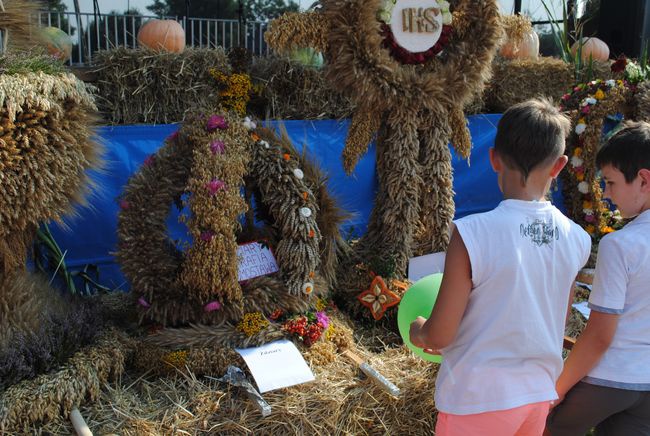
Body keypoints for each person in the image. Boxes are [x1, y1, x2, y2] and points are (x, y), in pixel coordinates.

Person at [410, 98, 591, 436]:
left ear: (493, 158)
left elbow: (439, 334)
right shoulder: (578, 238)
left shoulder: (471, 233)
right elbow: (555, 319)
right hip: (537, 394)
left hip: (476, 399)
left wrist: (419, 330)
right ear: (559, 166)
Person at [546, 121, 650, 436]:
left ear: (643, 180)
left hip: (608, 378)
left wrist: (558, 388)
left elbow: (600, 336)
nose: (606, 194)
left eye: (610, 182)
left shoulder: (621, 244)